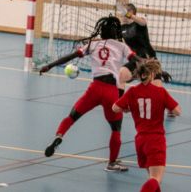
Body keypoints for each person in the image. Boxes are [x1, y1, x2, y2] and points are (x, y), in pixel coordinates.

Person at [40, 15, 138, 171]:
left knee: (72, 116)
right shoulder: (122, 46)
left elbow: (71, 56)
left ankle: (59, 136)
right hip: (111, 91)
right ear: (116, 32)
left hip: (95, 88)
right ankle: (112, 163)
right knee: (115, 129)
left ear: (101, 31)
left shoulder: (93, 44)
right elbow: (136, 59)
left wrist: (50, 65)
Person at [112, 59, 182, 191]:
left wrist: (127, 108)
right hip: (155, 140)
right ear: (151, 74)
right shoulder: (160, 92)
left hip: (140, 141)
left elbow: (115, 108)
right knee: (155, 179)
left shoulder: (132, 92)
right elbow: (177, 111)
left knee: (152, 179)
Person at [117, 3, 173, 116]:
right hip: (135, 60)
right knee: (122, 74)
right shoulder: (121, 28)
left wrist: (129, 15)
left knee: (157, 89)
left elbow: (143, 22)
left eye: (125, 11)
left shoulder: (139, 24)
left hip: (149, 59)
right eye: (122, 12)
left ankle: (171, 108)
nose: (122, 14)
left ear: (131, 12)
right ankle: (120, 105)